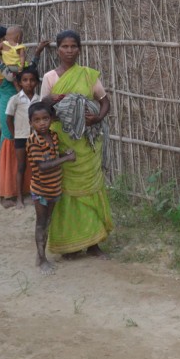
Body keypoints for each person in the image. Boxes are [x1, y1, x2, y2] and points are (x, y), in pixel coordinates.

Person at [40, 29, 113, 258]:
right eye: (64, 46)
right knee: (68, 194)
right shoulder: (50, 77)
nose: (69, 51)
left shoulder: (88, 75)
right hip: (63, 143)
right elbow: (42, 109)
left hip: (87, 143)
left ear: (79, 49)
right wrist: (52, 100)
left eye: (73, 46)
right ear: (58, 49)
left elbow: (104, 100)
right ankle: (69, 246)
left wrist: (98, 118)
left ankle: (93, 243)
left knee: (90, 190)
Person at [0, 25, 48, 208]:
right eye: (5, 38)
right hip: (8, 102)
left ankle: (25, 189)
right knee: (10, 141)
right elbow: (13, 77)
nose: (10, 41)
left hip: (22, 103)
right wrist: (18, 57)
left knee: (24, 143)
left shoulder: (7, 56)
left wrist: (36, 52)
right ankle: (6, 193)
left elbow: (27, 71)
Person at [26, 101, 76, 275]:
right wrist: (66, 159)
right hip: (41, 190)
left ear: (51, 119)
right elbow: (43, 166)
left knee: (47, 222)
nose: (42, 123)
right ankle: (41, 260)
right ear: (30, 123)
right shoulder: (34, 141)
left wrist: (64, 154)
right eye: (37, 120)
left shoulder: (53, 136)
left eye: (45, 119)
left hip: (54, 187)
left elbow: (53, 157)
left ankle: (41, 256)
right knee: (41, 223)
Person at [5, 67, 41, 207]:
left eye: (32, 80)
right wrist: (15, 135)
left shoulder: (39, 99)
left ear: (36, 83)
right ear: (20, 82)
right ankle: (19, 197)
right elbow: (9, 118)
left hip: (36, 138)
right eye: (25, 80)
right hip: (20, 137)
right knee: (21, 166)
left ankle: (35, 195)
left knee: (37, 167)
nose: (29, 83)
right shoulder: (15, 99)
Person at [0, 24, 27, 90]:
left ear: (6, 37)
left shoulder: (4, 44)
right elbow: (22, 57)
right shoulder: (20, 46)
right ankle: (21, 91)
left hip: (7, 67)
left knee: (15, 81)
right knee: (21, 79)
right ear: (19, 37)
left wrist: (1, 52)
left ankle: (19, 91)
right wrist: (21, 66)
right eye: (21, 37)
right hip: (17, 67)